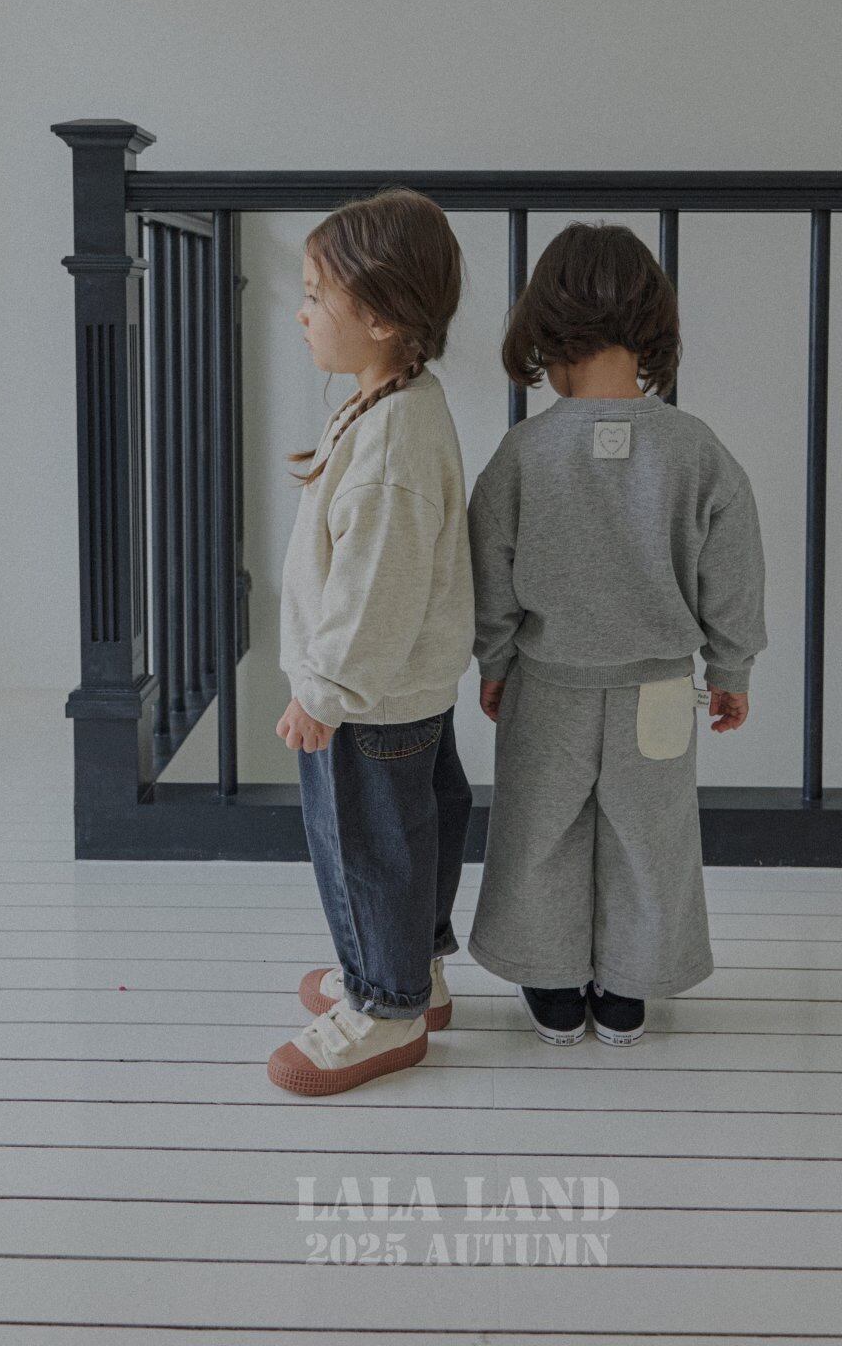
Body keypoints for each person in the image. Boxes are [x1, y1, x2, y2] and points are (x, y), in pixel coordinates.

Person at [466, 221, 767, 1048]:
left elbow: (490, 574)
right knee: (651, 840)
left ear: (544, 327)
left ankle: (553, 982)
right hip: (660, 690)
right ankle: (629, 988)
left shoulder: (522, 453)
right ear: (654, 325)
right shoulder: (696, 451)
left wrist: (494, 660)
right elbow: (733, 571)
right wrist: (731, 669)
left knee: (537, 834)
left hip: (547, 685)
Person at [267, 188, 476, 1096]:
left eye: (317, 295)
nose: (301, 311)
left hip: (368, 697)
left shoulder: (392, 445)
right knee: (412, 832)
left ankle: (386, 1008)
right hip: (404, 687)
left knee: (365, 848)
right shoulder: (396, 399)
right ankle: (414, 972)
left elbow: (373, 592)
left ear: (384, 319)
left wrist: (324, 692)